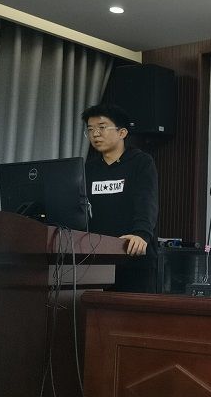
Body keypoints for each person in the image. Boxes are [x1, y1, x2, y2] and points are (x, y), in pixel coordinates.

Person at [81, 103, 159, 293]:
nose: (95, 134)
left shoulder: (141, 162)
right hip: (96, 259)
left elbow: (147, 201)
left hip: (133, 258)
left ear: (122, 132)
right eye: (90, 130)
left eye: (102, 127)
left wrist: (142, 234)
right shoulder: (87, 169)